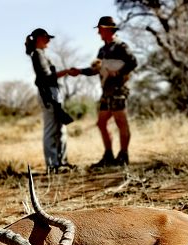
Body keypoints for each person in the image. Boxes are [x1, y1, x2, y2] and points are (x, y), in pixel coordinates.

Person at [69, 16, 137, 167]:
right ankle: (108, 156)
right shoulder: (103, 49)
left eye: (99, 29)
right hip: (106, 92)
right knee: (101, 123)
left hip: (118, 90)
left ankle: (123, 156)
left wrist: (118, 74)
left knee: (121, 123)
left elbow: (133, 62)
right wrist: (79, 71)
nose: (98, 32)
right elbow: (96, 69)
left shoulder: (120, 46)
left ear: (107, 29)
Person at [25, 28, 74, 174]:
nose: (49, 40)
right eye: (47, 37)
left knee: (60, 128)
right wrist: (66, 72)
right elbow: (47, 77)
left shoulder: (41, 54)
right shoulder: (38, 54)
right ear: (40, 38)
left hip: (52, 92)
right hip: (48, 94)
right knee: (51, 129)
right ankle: (52, 165)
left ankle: (61, 162)